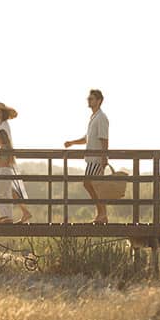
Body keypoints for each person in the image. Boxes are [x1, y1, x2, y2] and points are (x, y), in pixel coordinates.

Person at [64, 89, 110, 224]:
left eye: (91, 99)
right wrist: (72, 142)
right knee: (92, 185)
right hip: (91, 159)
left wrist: (103, 158)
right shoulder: (94, 117)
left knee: (90, 184)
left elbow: (104, 139)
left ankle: (102, 214)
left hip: (96, 159)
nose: (89, 101)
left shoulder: (101, 118)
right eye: (88, 99)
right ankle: (102, 214)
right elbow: (87, 138)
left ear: (99, 101)